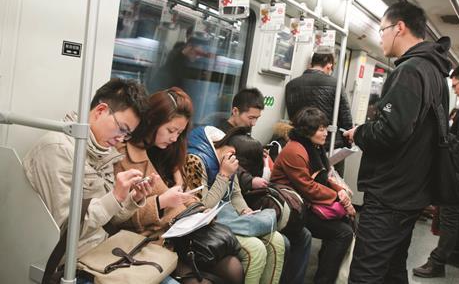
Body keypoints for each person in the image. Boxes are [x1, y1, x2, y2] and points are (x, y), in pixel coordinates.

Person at [343, 1, 452, 283]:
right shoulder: (435, 72)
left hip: (391, 193)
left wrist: (360, 132)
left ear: (399, 27)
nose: (380, 37)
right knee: (392, 268)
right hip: (412, 190)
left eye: (382, 30)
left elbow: (390, 133)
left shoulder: (410, 70)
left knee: (365, 274)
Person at [23, 79, 153, 283]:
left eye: (127, 134)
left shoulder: (104, 153)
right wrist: (115, 196)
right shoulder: (58, 150)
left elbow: (107, 220)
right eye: (122, 129)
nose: (121, 139)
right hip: (71, 263)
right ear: (101, 110)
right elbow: (66, 232)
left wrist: (129, 200)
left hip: (100, 251)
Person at [114, 87, 244, 284]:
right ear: (152, 122)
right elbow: (119, 216)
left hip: (179, 233)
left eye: (179, 132)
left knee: (234, 266)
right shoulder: (126, 156)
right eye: (170, 130)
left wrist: (198, 210)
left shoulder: (171, 153)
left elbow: (185, 195)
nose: (174, 137)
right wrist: (161, 202)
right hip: (149, 239)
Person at [218, 89, 312, 284]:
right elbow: (232, 168)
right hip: (238, 196)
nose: (253, 123)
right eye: (250, 117)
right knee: (285, 241)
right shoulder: (220, 135)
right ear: (235, 111)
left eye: (257, 118)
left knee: (303, 233)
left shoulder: (245, 135)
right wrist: (250, 180)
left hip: (249, 195)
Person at [184, 126, 285, 284]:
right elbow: (201, 207)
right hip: (207, 224)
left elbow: (235, 193)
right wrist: (224, 175)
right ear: (231, 151)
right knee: (256, 250)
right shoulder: (195, 160)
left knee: (277, 240)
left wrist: (244, 210)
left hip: (226, 216)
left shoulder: (228, 155)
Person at [271, 107, 354, 284]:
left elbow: (321, 177)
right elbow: (307, 187)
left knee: (346, 223)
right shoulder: (295, 151)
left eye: (325, 128)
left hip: (305, 202)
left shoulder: (313, 147)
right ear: (307, 131)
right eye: (321, 129)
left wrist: (338, 189)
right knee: (343, 233)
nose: (325, 133)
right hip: (292, 207)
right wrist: (338, 196)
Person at [413, 64, 459, 278]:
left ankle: (437, 261)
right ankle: (457, 254)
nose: (454, 90)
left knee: (450, 214)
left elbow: (457, 142)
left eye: (456, 85)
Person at [285, 53, 352, 152]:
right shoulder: (335, 84)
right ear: (329, 66)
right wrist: (348, 141)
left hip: (300, 142)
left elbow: (291, 115)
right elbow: (345, 117)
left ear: (311, 64)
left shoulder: (291, 84)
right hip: (329, 144)